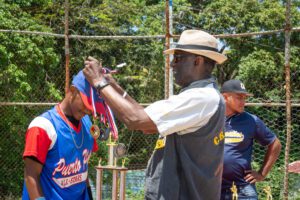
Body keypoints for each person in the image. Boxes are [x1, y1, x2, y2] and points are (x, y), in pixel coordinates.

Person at [83, 29, 228, 199]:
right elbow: (146, 121)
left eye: (179, 58)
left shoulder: (201, 98)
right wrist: (113, 86)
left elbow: (135, 119)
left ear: (198, 60)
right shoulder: (201, 96)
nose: (172, 64)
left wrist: (99, 83)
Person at [22, 70, 107, 200]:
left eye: (92, 108)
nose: (88, 110)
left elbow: (82, 168)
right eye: (86, 104)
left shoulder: (86, 124)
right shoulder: (43, 126)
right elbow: (31, 176)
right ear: (73, 91)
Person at [220, 79, 282, 200]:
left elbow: (275, 144)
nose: (244, 102)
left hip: (243, 189)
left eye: (245, 98)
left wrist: (262, 174)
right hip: (212, 188)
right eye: (239, 97)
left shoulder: (251, 120)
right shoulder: (209, 119)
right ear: (225, 97)